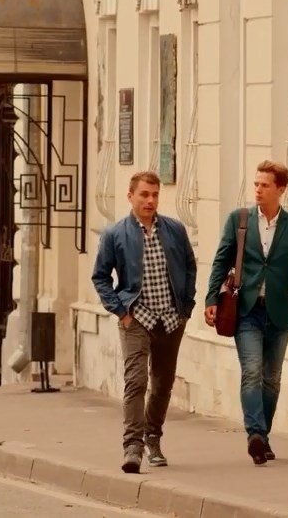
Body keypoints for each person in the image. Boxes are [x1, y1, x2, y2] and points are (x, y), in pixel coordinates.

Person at [205, 160, 288, 465]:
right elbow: (221, 260)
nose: (258, 189)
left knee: (272, 378)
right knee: (252, 371)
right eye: (256, 184)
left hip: (279, 311)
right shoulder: (239, 220)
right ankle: (255, 433)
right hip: (246, 310)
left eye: (265, 185)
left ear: (281, 189)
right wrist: (211, 298)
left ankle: (262, 437)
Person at [91, 171, 197, 474]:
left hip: (171, 318)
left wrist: (185, 307)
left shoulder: (174, 229)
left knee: (162, 384)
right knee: (136, 381)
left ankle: (153, 438)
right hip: (136, 317)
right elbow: (100, 277)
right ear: (131, 196)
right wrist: (121, 311)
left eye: (155, 195)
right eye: (144, 195)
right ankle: (133, 448)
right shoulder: (115, 234)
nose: (150, 200)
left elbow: (189, 267)